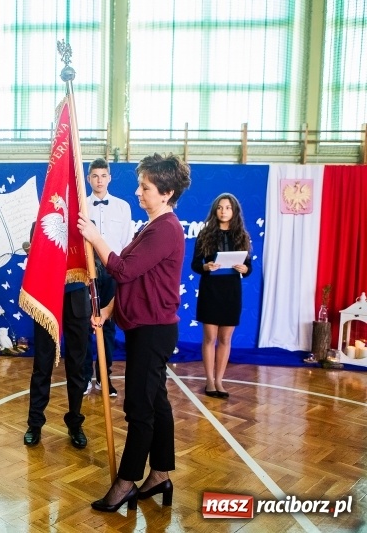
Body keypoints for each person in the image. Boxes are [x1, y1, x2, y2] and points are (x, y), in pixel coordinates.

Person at [78, 153, 191, 512]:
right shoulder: (152, 226)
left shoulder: (166, 229)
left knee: (139, 409)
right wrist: (109, 310)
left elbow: (123, 270)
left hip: (153, 331)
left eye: (146, 187)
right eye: (140, 186)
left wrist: (95, 237)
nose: (138, 192)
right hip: (148, 327)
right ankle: (160, 474)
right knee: (156, 403)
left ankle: (126, 483)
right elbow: (137, 279)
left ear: (167, 192)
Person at [24, 222, 91, 450]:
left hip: (77, 299)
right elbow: (35, 263)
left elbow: (93, 265)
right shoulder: (41, 223)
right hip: (47, 298)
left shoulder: (84, 224)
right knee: (42, 365)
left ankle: (75, 423)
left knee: (77, 366)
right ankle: (35, 424)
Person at [191, 193, 252, 399]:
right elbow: (195, 264)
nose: (223, 211)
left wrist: (244, 268)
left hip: (231, 292)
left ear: (234, 211)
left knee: (225, 339)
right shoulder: (205, 234)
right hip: (211, 290)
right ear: (215, 211)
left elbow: (249, 267)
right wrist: (206, 266)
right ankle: (209, 380)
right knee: (210, 338)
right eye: (219, 207)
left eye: (227, 207)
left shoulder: (242, 236)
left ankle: (219, 380)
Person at [84, 157, 133, 398]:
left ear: (110, 178)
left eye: (103, 176)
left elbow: (126, 243)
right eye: (95, 176)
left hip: (112, 271)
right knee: (85, 324)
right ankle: (84, 377)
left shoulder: (123, 207)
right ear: (88, 179)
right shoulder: (81, 206)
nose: (99, 180)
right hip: (87, 273)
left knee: (109, 326)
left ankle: (105, 377)